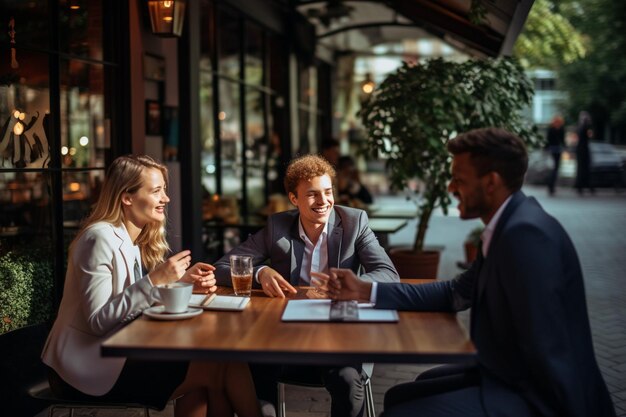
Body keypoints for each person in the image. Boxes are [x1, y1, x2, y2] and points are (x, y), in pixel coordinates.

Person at [318, 128, 615, 417]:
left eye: (458, 179)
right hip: (510, 375)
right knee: (400, 394)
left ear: (491, 183)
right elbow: (455, 293)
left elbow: (546, 350)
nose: (450, 188)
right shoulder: (509, 225)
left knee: (402, 410)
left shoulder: (525, 236)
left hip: (544, 398)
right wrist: (363, 290)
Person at [42, 155, 262, 417]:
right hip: (83, 369)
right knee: (221, 365)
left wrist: (182, 283)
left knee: (211, 373)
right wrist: (158, 279)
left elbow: (131, 302)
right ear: (127, 197)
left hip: (118, 356)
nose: (165, 199)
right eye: (157, 191)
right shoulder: (98, 238)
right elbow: (98, 321)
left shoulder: (130, 238)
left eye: (164, 191)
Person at [213, 154, 399, 417]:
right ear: (294, 199)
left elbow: (388, 274)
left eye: (328, 192)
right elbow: (223, 267)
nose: (323, 202)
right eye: (312, 194)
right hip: (284, 335)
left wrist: (349, 285)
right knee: (250, 370)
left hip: (339, 335)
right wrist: (260, 272)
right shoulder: (277, 226)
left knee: (347, 381)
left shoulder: (354, 223)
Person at [545, 114, 565, 195]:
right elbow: (562, 140)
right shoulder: (561, 129)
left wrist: (546, 148)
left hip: (552, 149)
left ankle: (550, 185)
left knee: (553, 168)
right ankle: (551, 186)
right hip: (557, 149)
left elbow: (547, 140)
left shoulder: (551, 129)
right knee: (556, 168)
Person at [575, 111, 595, 194]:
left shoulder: (580, 126)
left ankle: (581, 186)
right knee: (584, 168)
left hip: (581, 149)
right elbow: (590, 136)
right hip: (583, 149)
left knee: (582, 168)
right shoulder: (585, 127)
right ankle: (583, 186)